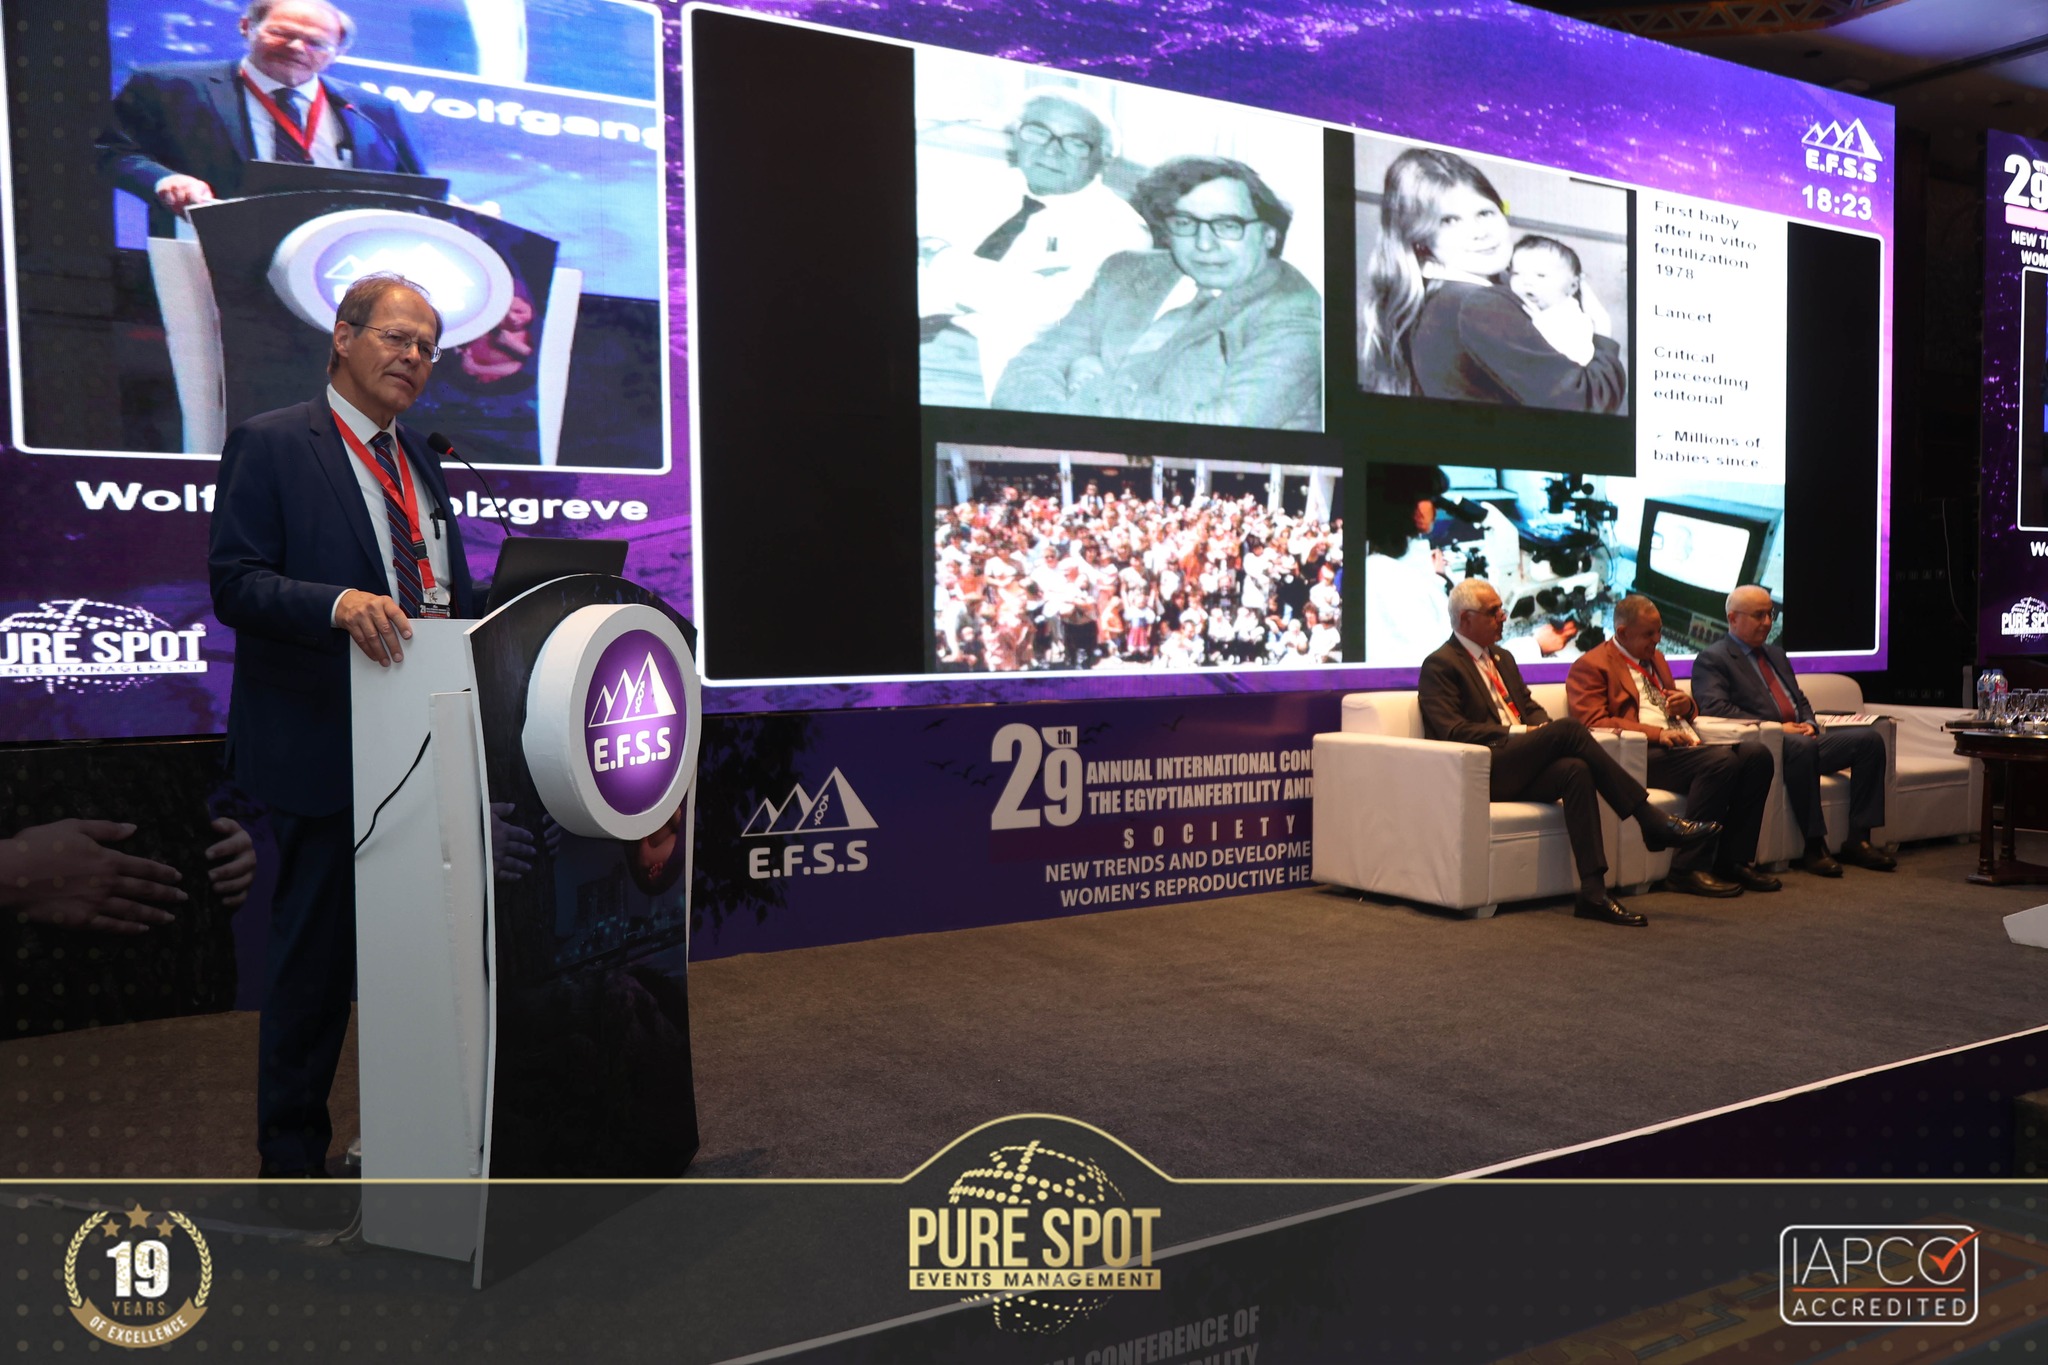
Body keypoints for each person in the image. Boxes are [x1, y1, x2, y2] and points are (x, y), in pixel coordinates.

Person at [209, 271, 477, 1177]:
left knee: (421, 960)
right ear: (342, 336)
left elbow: (441, 589)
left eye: (427, 347)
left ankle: (414, 1138)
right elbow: (235, 582)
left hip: (424, 740)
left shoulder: (423, 460)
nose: (414, 357)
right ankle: (290, 1164)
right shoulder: (274, 443)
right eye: (397, 337)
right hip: (324, 740)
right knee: (316, 968)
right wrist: (336, 604)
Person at [1418, 579, 1720, 926]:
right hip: (1483, 767)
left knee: (1576, 769)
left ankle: (1593, 891)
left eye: (1501, 609)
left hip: (1520, 762)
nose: (1504, 617)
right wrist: (1527, 733)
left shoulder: (1502, 657)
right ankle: (1648, 819)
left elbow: (1529, 707)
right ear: (1465, 619)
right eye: (1494, 611)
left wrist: (1540, 729)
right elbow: (1452, 730)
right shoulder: (1441, 664)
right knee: (1570, 729)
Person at [993, 155, 1322, 430]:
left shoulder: (1295, 313)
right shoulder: (1124, 271)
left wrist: (1091, 390)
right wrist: (1057, 428)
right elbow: (1031, 366)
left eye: (1228, 226)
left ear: (1269, 234)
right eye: (1185, 223)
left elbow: (1224, 425)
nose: (1204, 244)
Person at [97, 0, 428, 236]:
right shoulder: (169, 86)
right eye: (282, 33)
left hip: (337, 258)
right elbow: (111, 151)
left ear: (338, 53)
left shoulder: (373, 110)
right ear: (247, 27)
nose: (296, 47)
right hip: (209, 248)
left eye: (315, 43)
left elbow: (416, 190)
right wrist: (164, 180)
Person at [919, 91, 1151, 402]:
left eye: (1076, 142)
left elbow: (1045, 311)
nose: (1051, 151)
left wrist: (940, 257)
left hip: (985, 364)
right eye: (1038, 132)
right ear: (1017, 136)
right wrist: (1005, 285)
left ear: (1104, 157)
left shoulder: (1122, 232)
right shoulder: (975, 186)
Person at [1359, 147, 1625, 412]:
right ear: (1420, 239)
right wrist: (1602, 334)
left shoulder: (1435, 294)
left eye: (1485, 213)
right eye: (1449, 221)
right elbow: (1590, 404)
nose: (1479, 233)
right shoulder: (1478, 304)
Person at [1566, 595, 1779, 897]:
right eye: (1649, 634)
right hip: (1642, 753)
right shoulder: (1591, 665)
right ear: (1623, 632)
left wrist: (1687, 706)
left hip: (1683, 744)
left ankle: (1733, 860)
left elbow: (1676, 707)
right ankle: (1686, 870)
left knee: (1757, 755)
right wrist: (1656, 734)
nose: (1657, 639)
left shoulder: (1656, 658)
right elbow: (1592, 721)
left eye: (1659, 631)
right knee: (1721, 762)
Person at [1691, 586, 1894, 876]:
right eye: (1758, 615)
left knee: (1869, 741)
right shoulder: (1713, 658)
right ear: (1733, 618)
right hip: (1766, 745)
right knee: (1802, 747)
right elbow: (1716, 709)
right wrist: (1777, 727)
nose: (1767, 622)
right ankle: (1814, 845)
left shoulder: (1776, 654)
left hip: (1802, 738)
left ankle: (1859, 839)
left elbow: (1798, 699)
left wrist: (1810, 723)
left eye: (1770, 614)